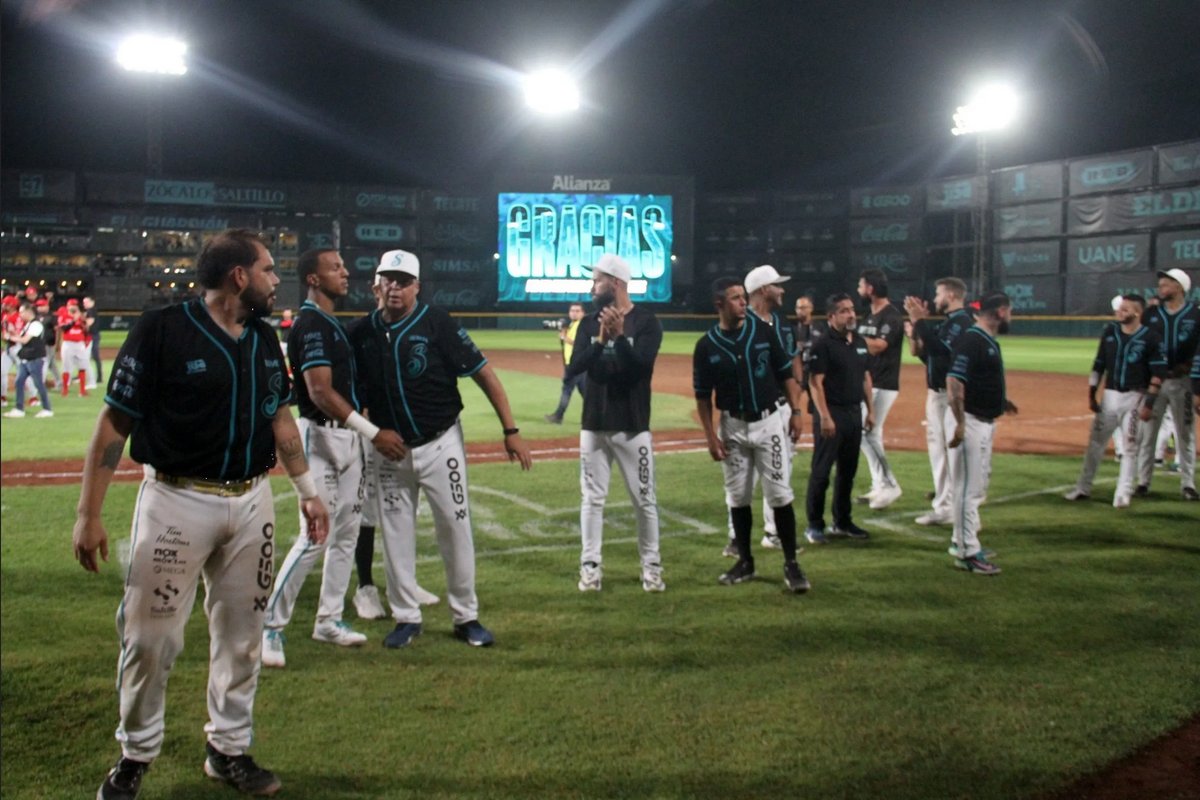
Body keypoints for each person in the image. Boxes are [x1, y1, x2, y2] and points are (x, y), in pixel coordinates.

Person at [73, 228, 330, 799]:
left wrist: (308, 490)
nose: (274, 280)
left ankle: (228, 748)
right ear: (239, 276)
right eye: (267, 270)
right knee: (150, 638)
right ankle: (135, 754)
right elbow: (115, 424)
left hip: (250, 499)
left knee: (243, 636)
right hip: (175, 499)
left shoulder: (264, 338)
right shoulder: (161, 329)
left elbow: (280, 418)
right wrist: (88, 513)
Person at [349, 249, 532, 649]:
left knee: (455, 526)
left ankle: (466, 615)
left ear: (417, 286)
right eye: (388, 279)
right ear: (376, 284)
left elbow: (484, 374)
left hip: (440, 442)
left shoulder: (437, 323)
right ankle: (406, 618)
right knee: (396, 532)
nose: (394, 286)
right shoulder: (361, 332)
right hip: (389, 449)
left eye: (403, 280)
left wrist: (511, 429)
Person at [260, 250, 407, 668]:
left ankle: (329, 619)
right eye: (335, 267)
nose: (345, 272)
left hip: (349, 442)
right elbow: (320, 392)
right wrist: (374, 433)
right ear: (312, 278)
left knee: (345, 535)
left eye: (344, 265)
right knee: (314, 537)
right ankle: (271, 626)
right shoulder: (310, 323)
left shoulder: (332, 324)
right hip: (320, 438)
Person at [694, 277, 810, 592]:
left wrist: (796, 413)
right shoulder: (706, 346)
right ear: (719, 304)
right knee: (737, 498)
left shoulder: (763, 331)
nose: (743, 302)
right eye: (735, 298)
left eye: (743, 297)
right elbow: (703, 397)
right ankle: (745, 561)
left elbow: (787, 374)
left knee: (780, 495)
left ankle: (791, 563)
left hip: (769, 422)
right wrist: (710, 436)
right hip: (731, 426)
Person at [567, 253, 666, 593]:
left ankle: (651, 568)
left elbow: (641, 369)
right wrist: (601, 341)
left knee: (644, 499)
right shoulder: (589, 323)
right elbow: (574, 368)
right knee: (592, 500)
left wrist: (620, 337)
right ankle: (590, 567)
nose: (592, 287)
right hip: (593, 424)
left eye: (597, 280)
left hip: (632, 425)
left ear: (617, 283)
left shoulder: (647, 323)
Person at [349, 277, 442, 620]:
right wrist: (363, 417)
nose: (393, 293)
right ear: (375, 291)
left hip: (402, 436)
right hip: (369, 434)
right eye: (385, 286)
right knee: (368, 513)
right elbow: (344, 383)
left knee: (402, 513)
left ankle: (403, 583)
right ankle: (365, 587)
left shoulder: (406, 331)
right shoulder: (359, 332)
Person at [718, 265, 801, 556]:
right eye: (777, 285)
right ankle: (735, 537)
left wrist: (797, 406)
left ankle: (773, 532)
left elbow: (792, 360)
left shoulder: (781, 322)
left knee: (779, 474)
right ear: (764, 289)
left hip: (779, 408)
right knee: (742, 480)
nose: (782, 290)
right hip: (746, 412)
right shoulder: (739, 322)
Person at [1064, 295, 1166, 507]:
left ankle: (1123, 493)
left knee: (1130, 446)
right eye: (1120, 309)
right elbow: (1099, 364)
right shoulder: (1110, 333)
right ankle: (1083, 488)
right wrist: (1091, 394)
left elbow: (1158, 373)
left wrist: (1149, 404)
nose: (1119, 312)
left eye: (1125, 309)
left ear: (1137, 312)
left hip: (1135, 397)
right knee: (1095, 443)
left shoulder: (1151, 338)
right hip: (1110, 395)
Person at [945, 290, 1017, 575]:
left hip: (982, 420)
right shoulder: (972, 340)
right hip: (970, 422)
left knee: (975, 488)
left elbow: (978, 379)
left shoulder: (984, 340)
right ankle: (967, 553)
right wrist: (960, 424)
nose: (1010, 315)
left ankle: (960, 540)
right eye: (1009, 310)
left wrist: (1002, 402)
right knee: (966, 490)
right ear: (1000, 311)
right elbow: (954, 381)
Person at [804, 293, 875, 543]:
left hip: (854, 413)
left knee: (848, 471)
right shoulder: (822, 344)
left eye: (852, 309)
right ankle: (815, 525)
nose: (851, 314)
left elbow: (865, 376)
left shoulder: (859, 342)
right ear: (832, 316)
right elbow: (815, 383)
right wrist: (824, 416)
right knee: (821, 472)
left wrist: (871, 410)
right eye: (844, 310)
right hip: (831, 413)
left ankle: (842, 522)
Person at [904, 278, 974, 526]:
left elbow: (939, 351)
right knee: (941, 452)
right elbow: (934, 359)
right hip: (938, 395)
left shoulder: (961, 322)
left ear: (952, 296)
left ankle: (948, 508)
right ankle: (946, 503)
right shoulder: (951, 322)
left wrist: (919, 320)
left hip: (948, 396)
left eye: (939, 294)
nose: (935, 299)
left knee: (948, 453)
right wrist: (917, 329)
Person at [1134, 268, 1198, 500]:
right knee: (1148, 433)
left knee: (1185, 434)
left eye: (1167, 283)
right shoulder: (1151, 313)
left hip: (1184, 382)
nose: (1161, 286)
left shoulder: (1195, 313)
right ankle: (1143, 482)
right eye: (1160, 282)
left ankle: (1188, 484)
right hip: (1156, 382)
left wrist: (1191, 366)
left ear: (1180, 287)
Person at [855, 270, 904, 509]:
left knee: (866, 433)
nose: (858, 289)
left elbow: (879, 346)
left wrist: (850, 339)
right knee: (871, 435)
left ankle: (890, 484)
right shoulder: (870, 316)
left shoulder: (891, 316)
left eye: (861, 285)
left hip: (883, 383)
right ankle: (880, 485)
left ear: (871, 289)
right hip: (869, 382)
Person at [2, 302, 54, 418]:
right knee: (19, 382)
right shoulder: (29, 324)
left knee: (38, 384)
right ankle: (19, 409)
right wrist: (12, 331)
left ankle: (47, 409)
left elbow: (25, 340)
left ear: (28, 312)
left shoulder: (36, 324)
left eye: (21, 312)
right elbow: (21, 338)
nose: (19, 315)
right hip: (26, 358)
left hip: (34, 359)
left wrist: (9, 337)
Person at [544, 302, 587, 424]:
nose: (574, 313)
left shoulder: (581, 325)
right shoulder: (574, 325)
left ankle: (558, 416)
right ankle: (596, 417)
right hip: (576, 364)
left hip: (576, 364)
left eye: (577, 310)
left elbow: (580, 343)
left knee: (567, 390)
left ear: (583, 313)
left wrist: (564, 338)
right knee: (586, 393)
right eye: (572, 310)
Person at [58, 299, 91, 397]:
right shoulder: (63, 316)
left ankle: (82, 390)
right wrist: (73, 320)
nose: (74, 307)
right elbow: (64, 328)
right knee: (66, 367)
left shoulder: (81, 317)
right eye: (72, 305)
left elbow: (86, 329)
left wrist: (82, 320)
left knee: (82, 366)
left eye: (75, 305)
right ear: (68, 306)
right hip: (68, 344)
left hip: (79, 344)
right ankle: (65, 390)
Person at [84, 295, 101, 388]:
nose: (84, 304)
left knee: (95, 356)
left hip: (93, 336)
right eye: (84, 302)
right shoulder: (89, 311)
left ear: (92, 302)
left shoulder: (92, 311)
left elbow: (88, 323)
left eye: (86, 302)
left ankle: (99, 377)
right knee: (87, 356)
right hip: (91, 336)